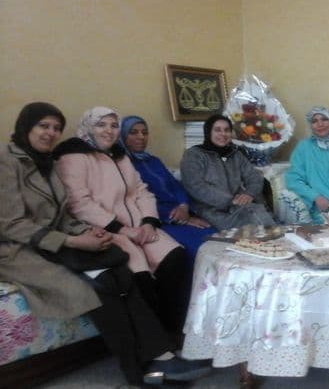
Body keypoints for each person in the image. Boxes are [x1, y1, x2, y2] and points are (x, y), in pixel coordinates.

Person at [0, 102, 211, 385]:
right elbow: (11, 224)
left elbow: (63, 214)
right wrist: (75, 239)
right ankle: (139, 367)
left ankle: (159, 354)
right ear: (26, 126)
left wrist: (87, 233)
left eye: (56, 128)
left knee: (120, 273)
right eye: (43, 126)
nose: (50, 133)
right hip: (19, 249)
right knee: (98, 286)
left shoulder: (46, 160)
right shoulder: (8, 161)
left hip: (57, 240)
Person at [54, 107, 189, 335]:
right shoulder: (72, 157)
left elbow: (141, 190)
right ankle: (155, 338)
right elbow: (79, 204)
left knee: (175, 258)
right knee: (140, 276)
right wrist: (123, 229)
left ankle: (173, 330)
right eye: (101, 125)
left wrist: (149, 221)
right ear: (89, 128)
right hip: (106, 230)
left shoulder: (120, 156)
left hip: (140, 226)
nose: (109, 131)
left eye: (114, 125)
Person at [120, 115, 216, 267]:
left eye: (144, 132)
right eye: (133, 132)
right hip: (161, 220)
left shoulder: (153, 160)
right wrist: (178, 217)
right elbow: (137, 200)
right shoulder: (122, 166)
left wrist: (184, 205)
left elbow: (174, 185)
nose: (141, 137)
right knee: (199, 249)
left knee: (216, 237)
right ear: (122, 136)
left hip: (182, 212)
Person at [180, 114, 276, 229]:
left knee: (261, 218)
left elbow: (254, 177)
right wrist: (231, 201)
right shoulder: (194, 155)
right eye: (217, 130)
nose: (223, 134)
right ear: (208, 132)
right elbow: (195, 186)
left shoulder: (235, 155)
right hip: (211, 211)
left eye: (227, 130)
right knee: (258, 223)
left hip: (239, 207)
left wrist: (249, 194)